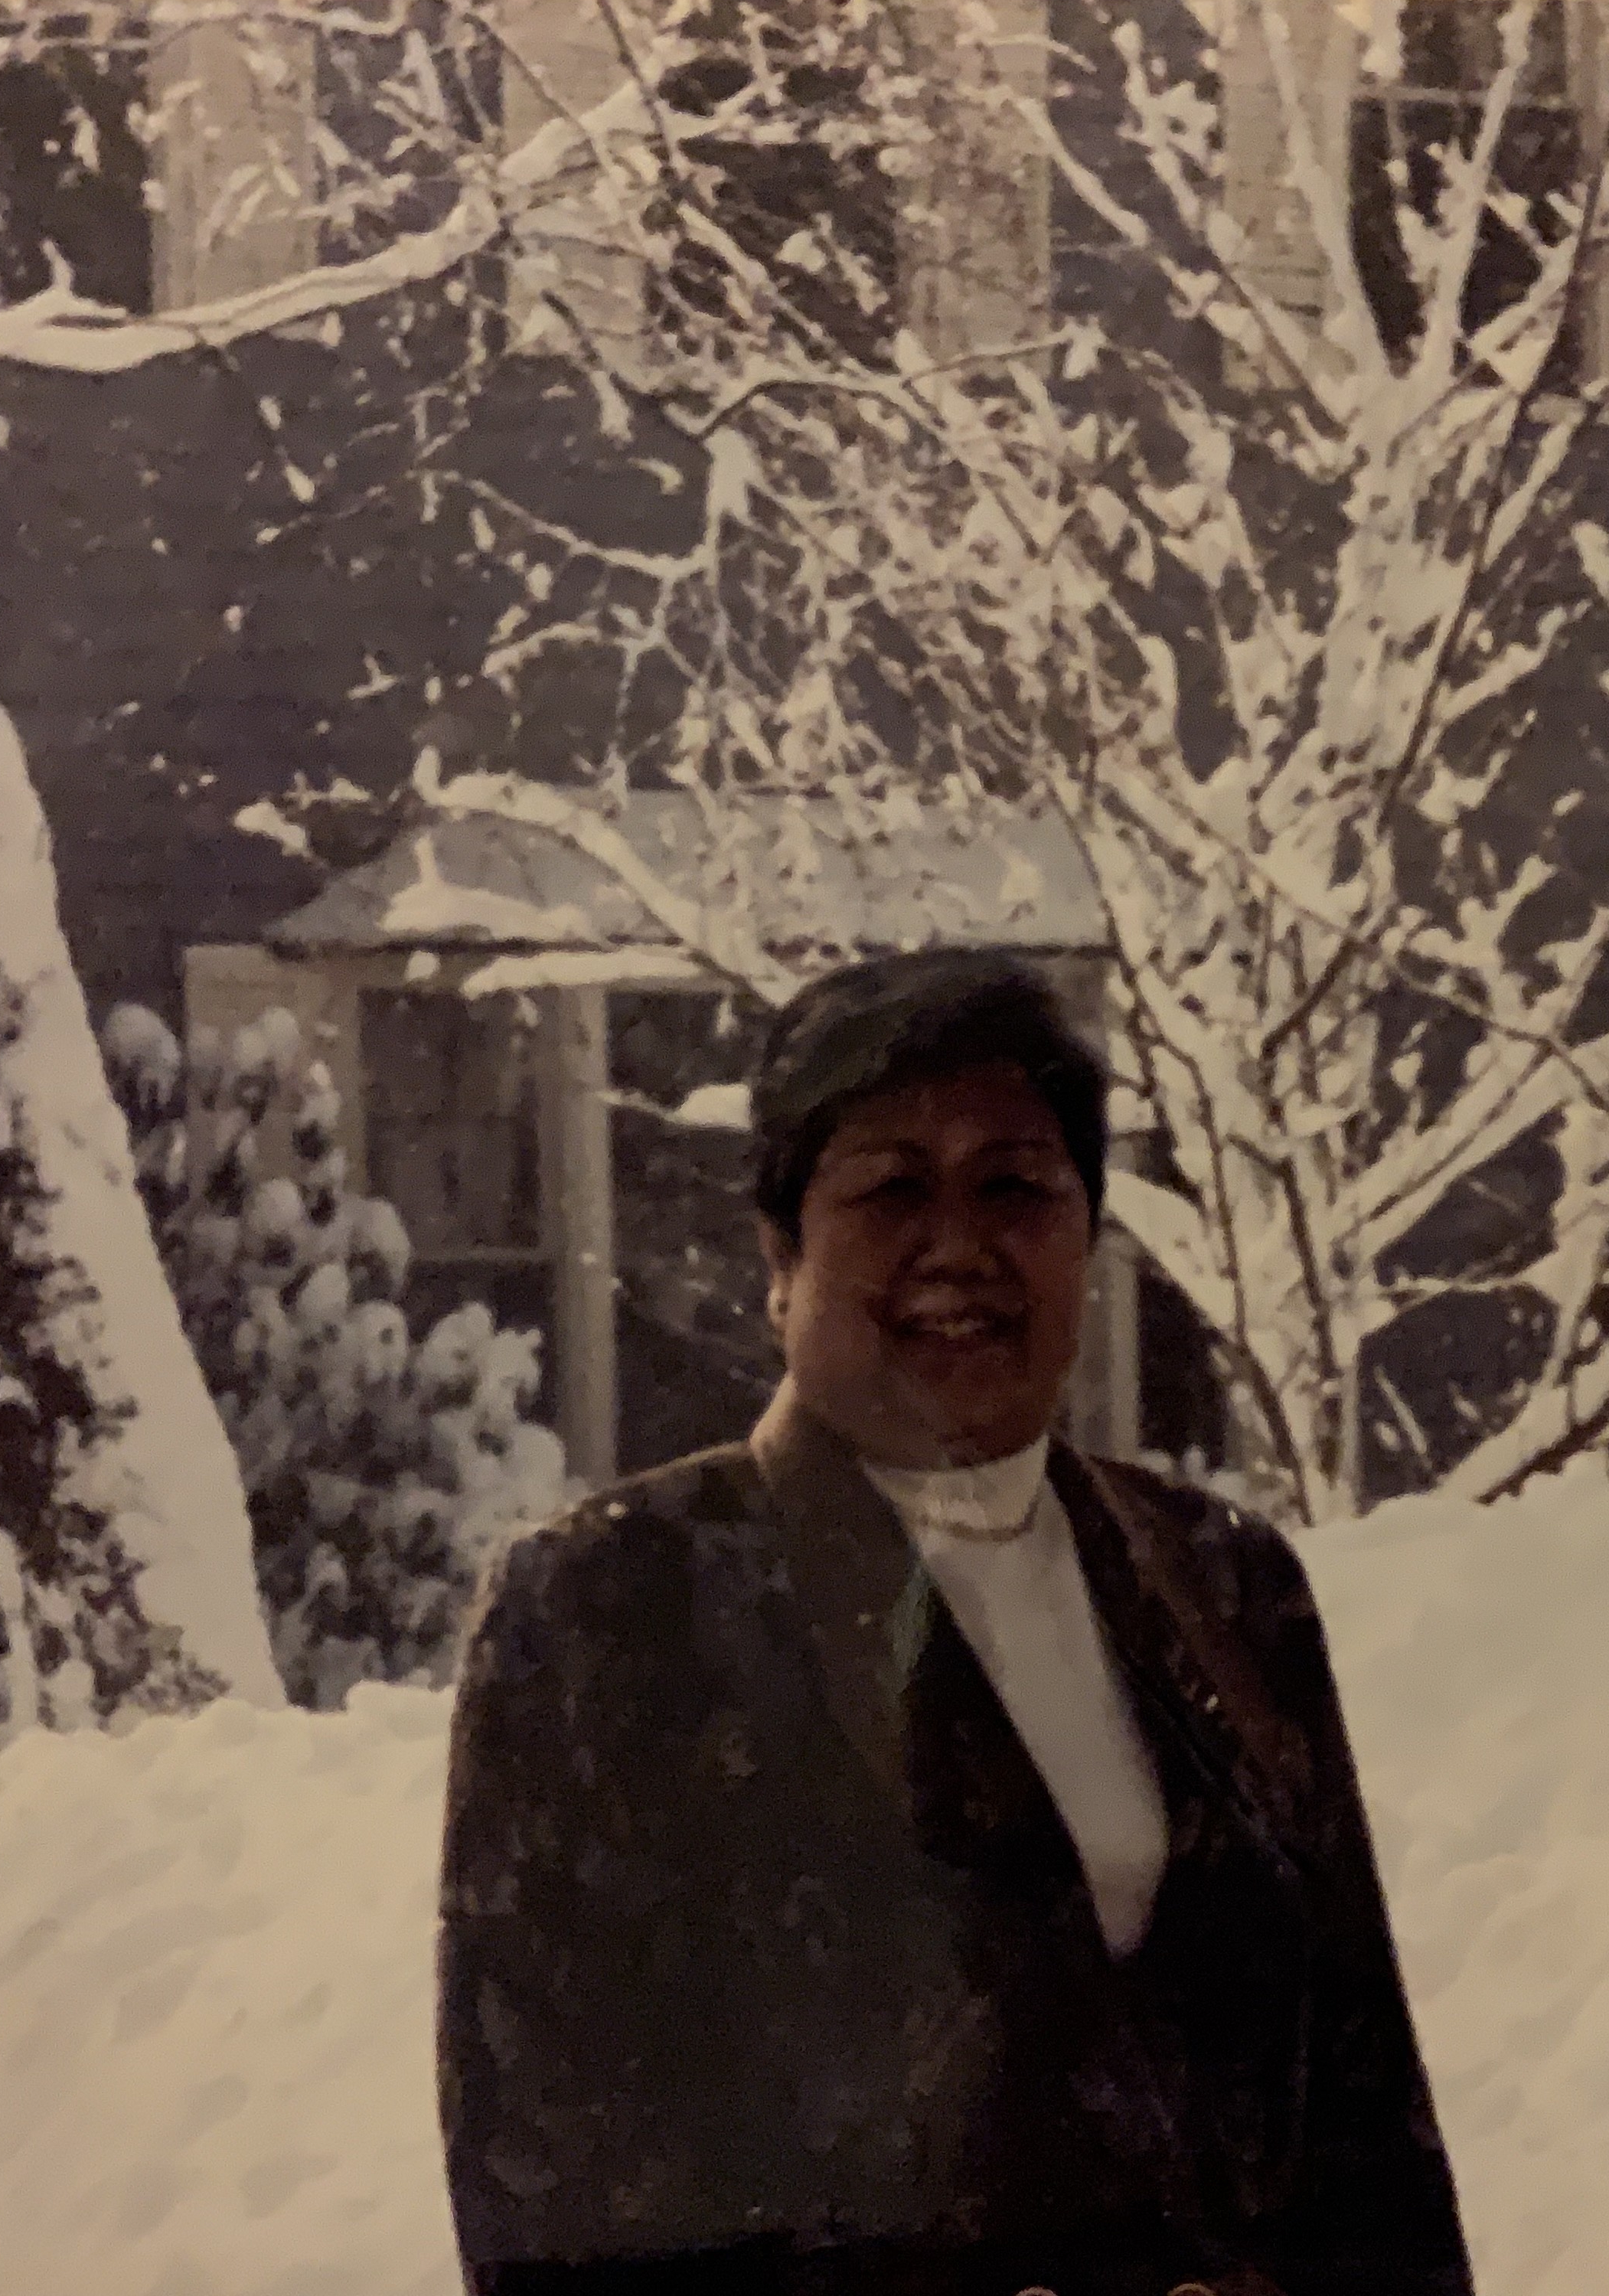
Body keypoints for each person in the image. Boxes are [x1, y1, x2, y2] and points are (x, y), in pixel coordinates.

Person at [436, 947, 1474, 2296]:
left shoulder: (1226, 1584)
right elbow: (556, 2221)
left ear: (1087, 1238)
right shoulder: (612, 1613)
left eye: (1016, 1187)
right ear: (781, 1251)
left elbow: (1371, 2147)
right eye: (892, 1189)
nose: (960, 1246)